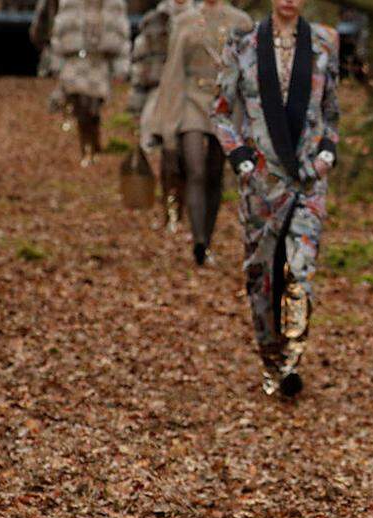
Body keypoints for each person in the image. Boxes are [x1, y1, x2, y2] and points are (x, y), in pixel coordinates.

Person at [211, 0, 341, 398]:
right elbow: (219, 112)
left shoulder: (324, 43)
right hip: (260, 183)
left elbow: (331, 112)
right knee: (262, 277)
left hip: (307, 182)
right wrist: (240, 157)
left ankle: (292, 361)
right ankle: (271, 355)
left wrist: (327, 153)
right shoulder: (244, 45)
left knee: (299, 272)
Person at [149, 0, 253, 265]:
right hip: (191, 100)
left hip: (226, 102)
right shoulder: (185, 20)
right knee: (194, 168)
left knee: (215, 172)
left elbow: (248, 72)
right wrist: (166, 123)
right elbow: (173, 71)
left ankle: (207, 239)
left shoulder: (241, 22)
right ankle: (197, 240)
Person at [35, 0, 131, 166]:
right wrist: (56, 63)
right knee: (81, 104)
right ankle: (87, 147)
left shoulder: (114, 4)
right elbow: (60, 31)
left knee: (93, 106)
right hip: (75, 61)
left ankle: (94, 144)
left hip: (99, 62)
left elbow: (121, 35)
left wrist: (121, 68)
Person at [129, 0, 189, 230]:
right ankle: (169, 208)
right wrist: (137, 102)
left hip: (191, 96)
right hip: (159, 94)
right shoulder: (154, 20)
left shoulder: (202, 18)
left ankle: (181, 209)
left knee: (188, 155)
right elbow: (141, 61)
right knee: (166, 154)